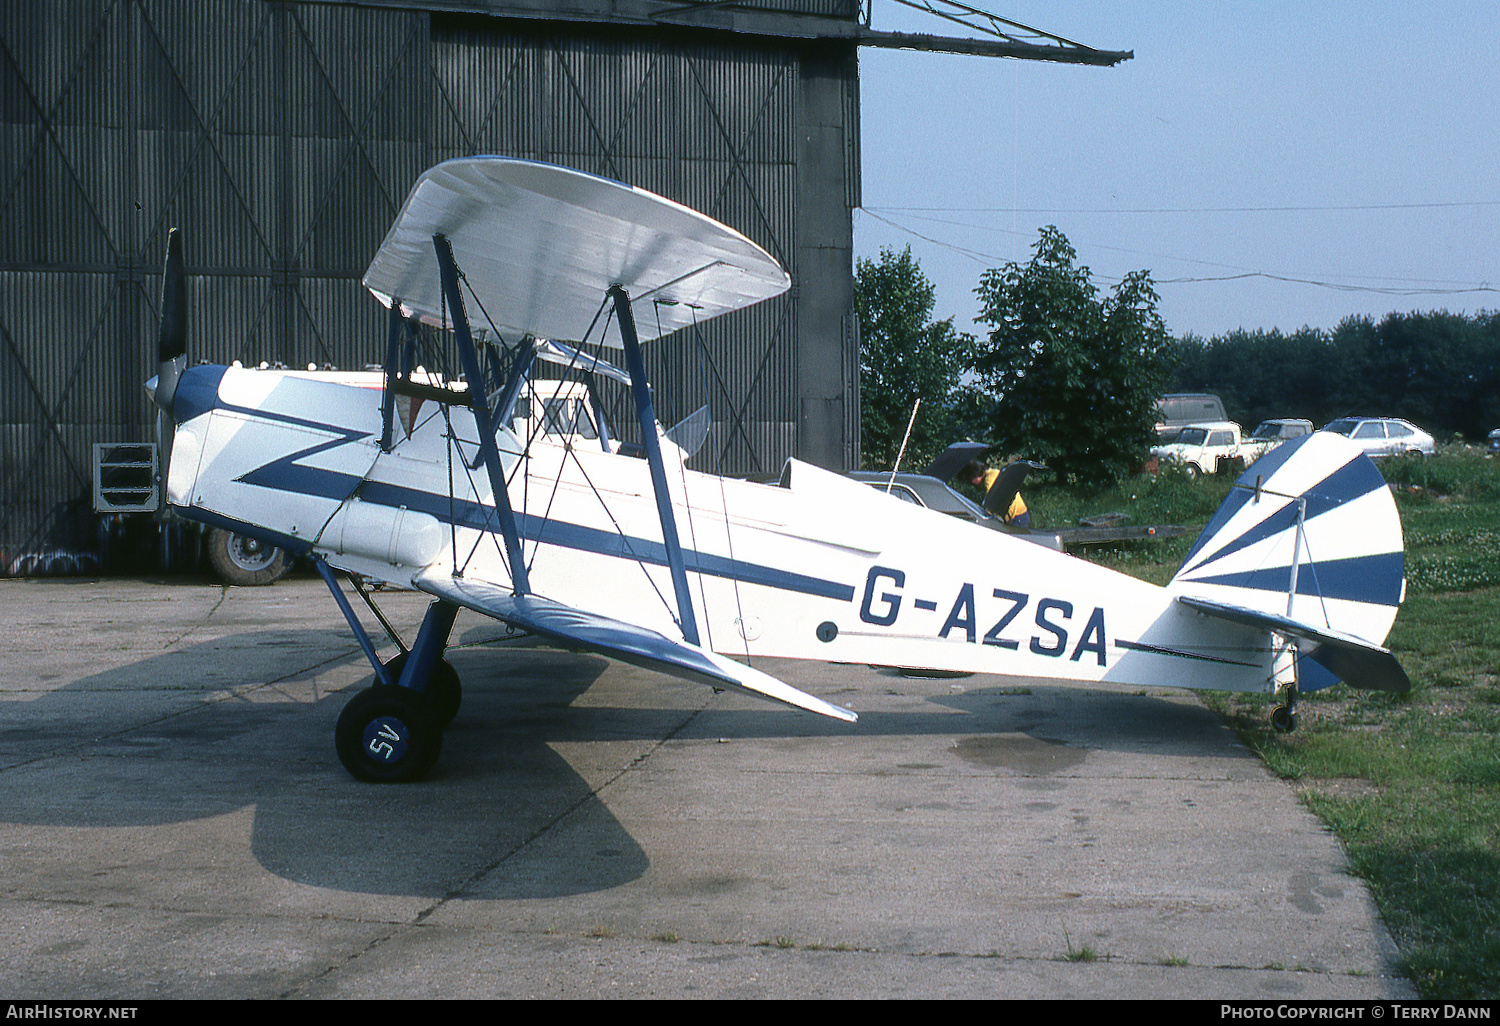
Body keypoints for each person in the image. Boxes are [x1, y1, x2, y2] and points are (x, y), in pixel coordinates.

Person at [961, 460, 1030, 529]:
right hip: (1022, 512)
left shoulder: (988, 482)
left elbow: (992, 505)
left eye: (970, 480)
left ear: (975, 476)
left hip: (1015, 517)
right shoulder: (994, 472)